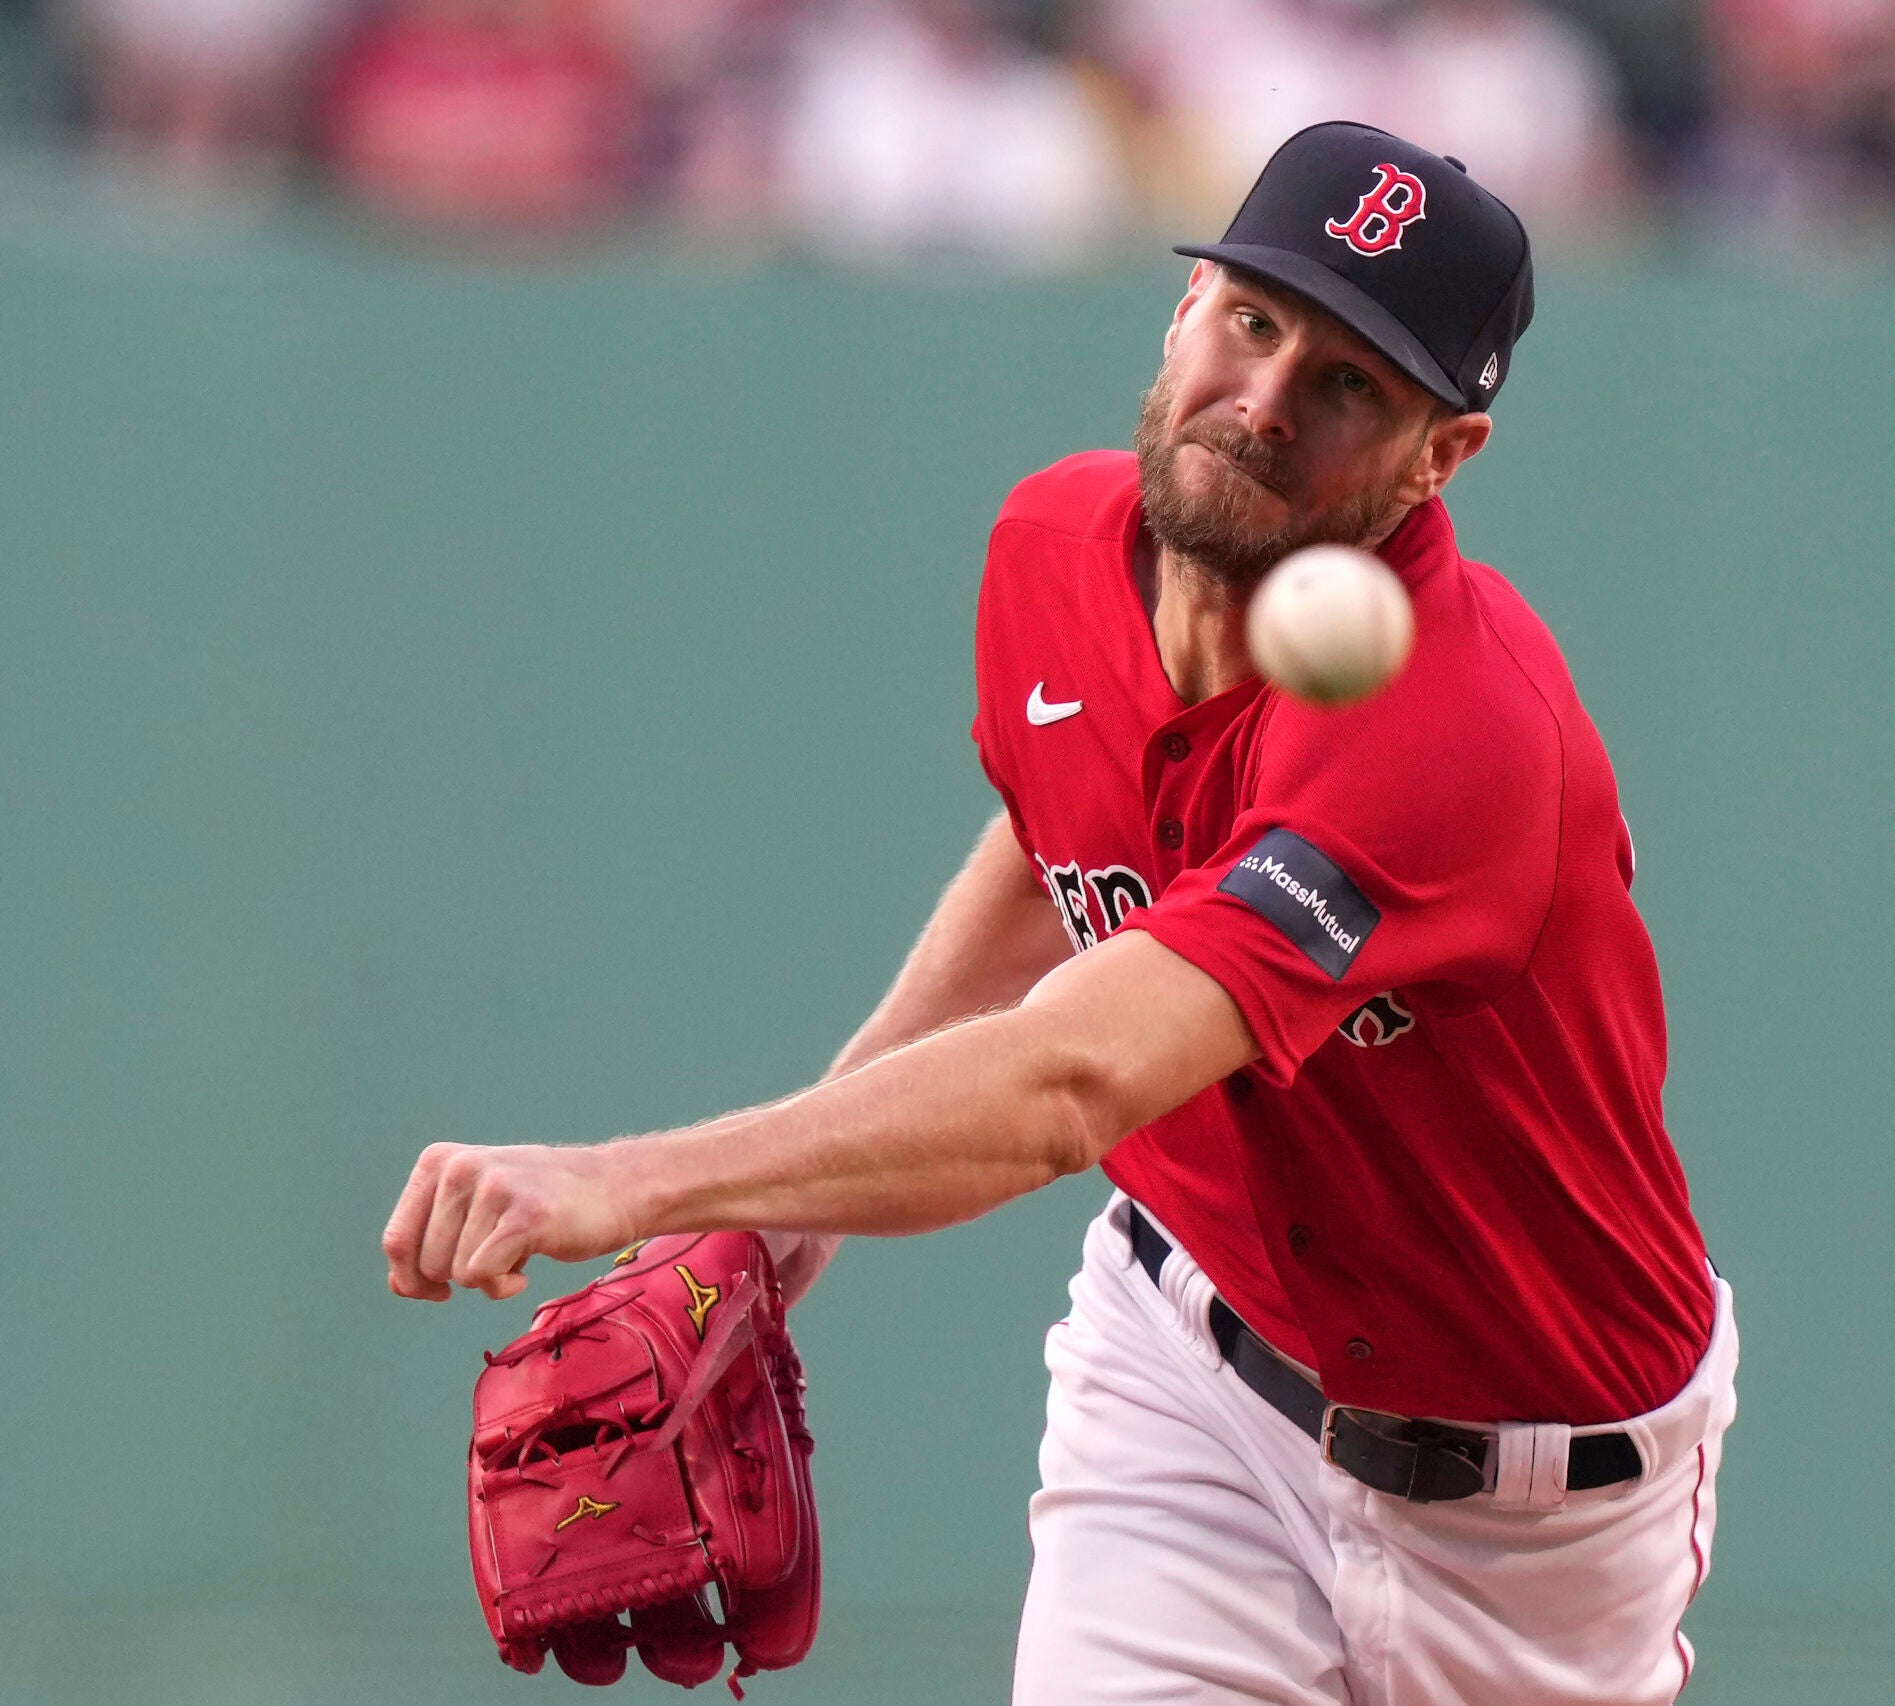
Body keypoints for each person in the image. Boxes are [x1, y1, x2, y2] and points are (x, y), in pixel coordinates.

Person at [381, 120, 1740, 1705]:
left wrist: (622, 1182)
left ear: (1442, 458)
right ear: (1179, 313)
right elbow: (1061, 835)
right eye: (1252, 319)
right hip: (1193, 1395)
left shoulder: (1454, 727)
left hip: (1537, 1523)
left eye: (1351, 382)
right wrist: (784, 1201)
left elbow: (1068, 1084)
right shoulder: (1049, 551)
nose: (1266, 399)